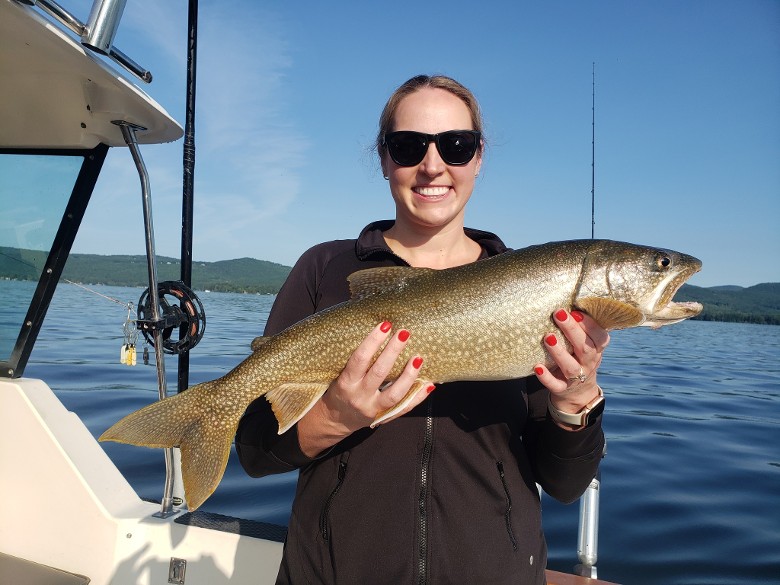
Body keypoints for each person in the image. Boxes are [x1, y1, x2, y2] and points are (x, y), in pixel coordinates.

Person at [236, 74, 608, 585]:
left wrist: (575, 406)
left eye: (456, 146)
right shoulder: (324, 269)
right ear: (384, 158)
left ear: (478, 158)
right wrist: (336, 417)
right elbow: (255, 451)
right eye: (408, 146)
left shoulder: (534, 290)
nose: (433, 165)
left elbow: (565, 485)